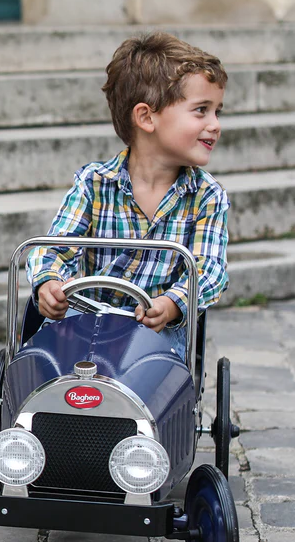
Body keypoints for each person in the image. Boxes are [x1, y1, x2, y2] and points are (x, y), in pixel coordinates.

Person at [26, 31, 230, 360]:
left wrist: (172, 303)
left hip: (154, 338)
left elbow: (209, 271)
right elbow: (55, 248)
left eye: (218, 111)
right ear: (146, 117)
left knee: (153, 369)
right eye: (201, 110)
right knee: (47, 359)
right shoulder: (94, 184)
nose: (215, 124)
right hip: (83, 323)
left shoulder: (206, 197)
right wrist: (49, 282)